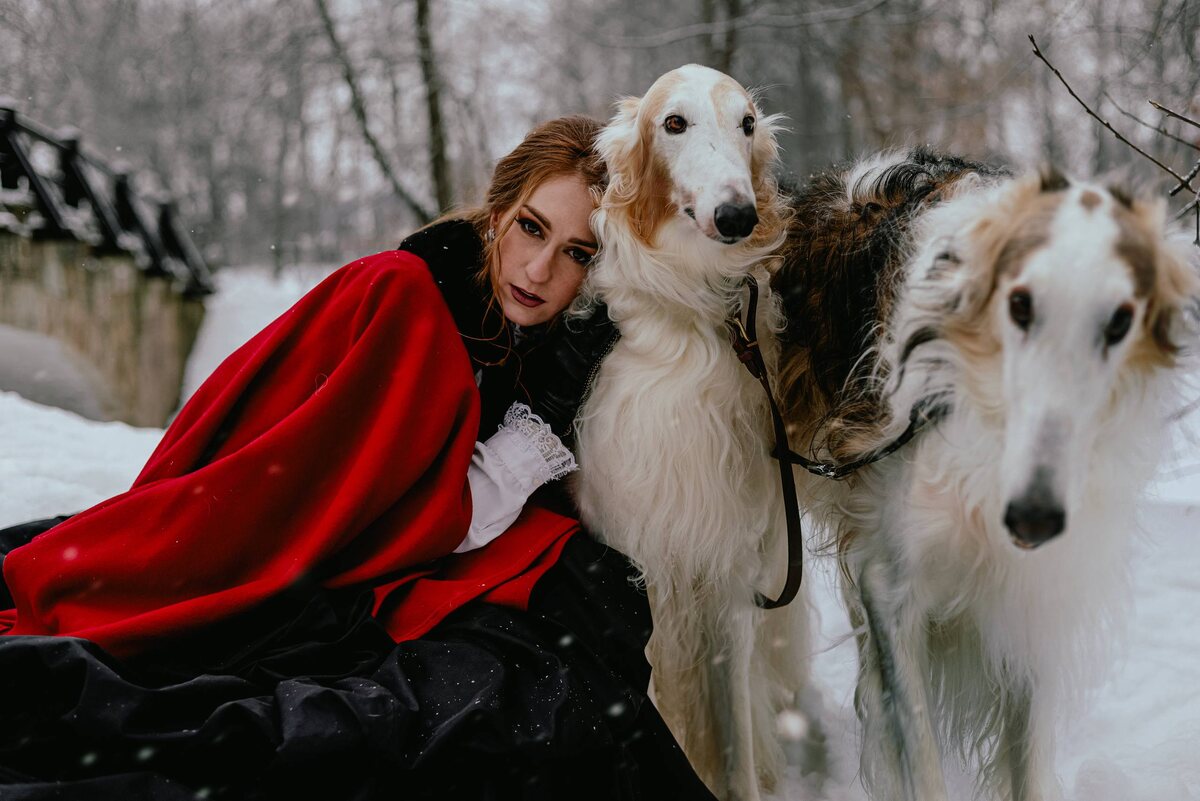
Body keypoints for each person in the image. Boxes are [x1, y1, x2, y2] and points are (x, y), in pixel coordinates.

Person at [0, 116, 715, 801]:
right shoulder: (406, 298)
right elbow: (384, 511)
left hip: (346, 561)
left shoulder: (513, 340)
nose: (539, 268)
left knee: (578, 626)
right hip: (265, 561)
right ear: (497, 212)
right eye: (532, 227)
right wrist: (529, 440)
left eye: (577, 254)